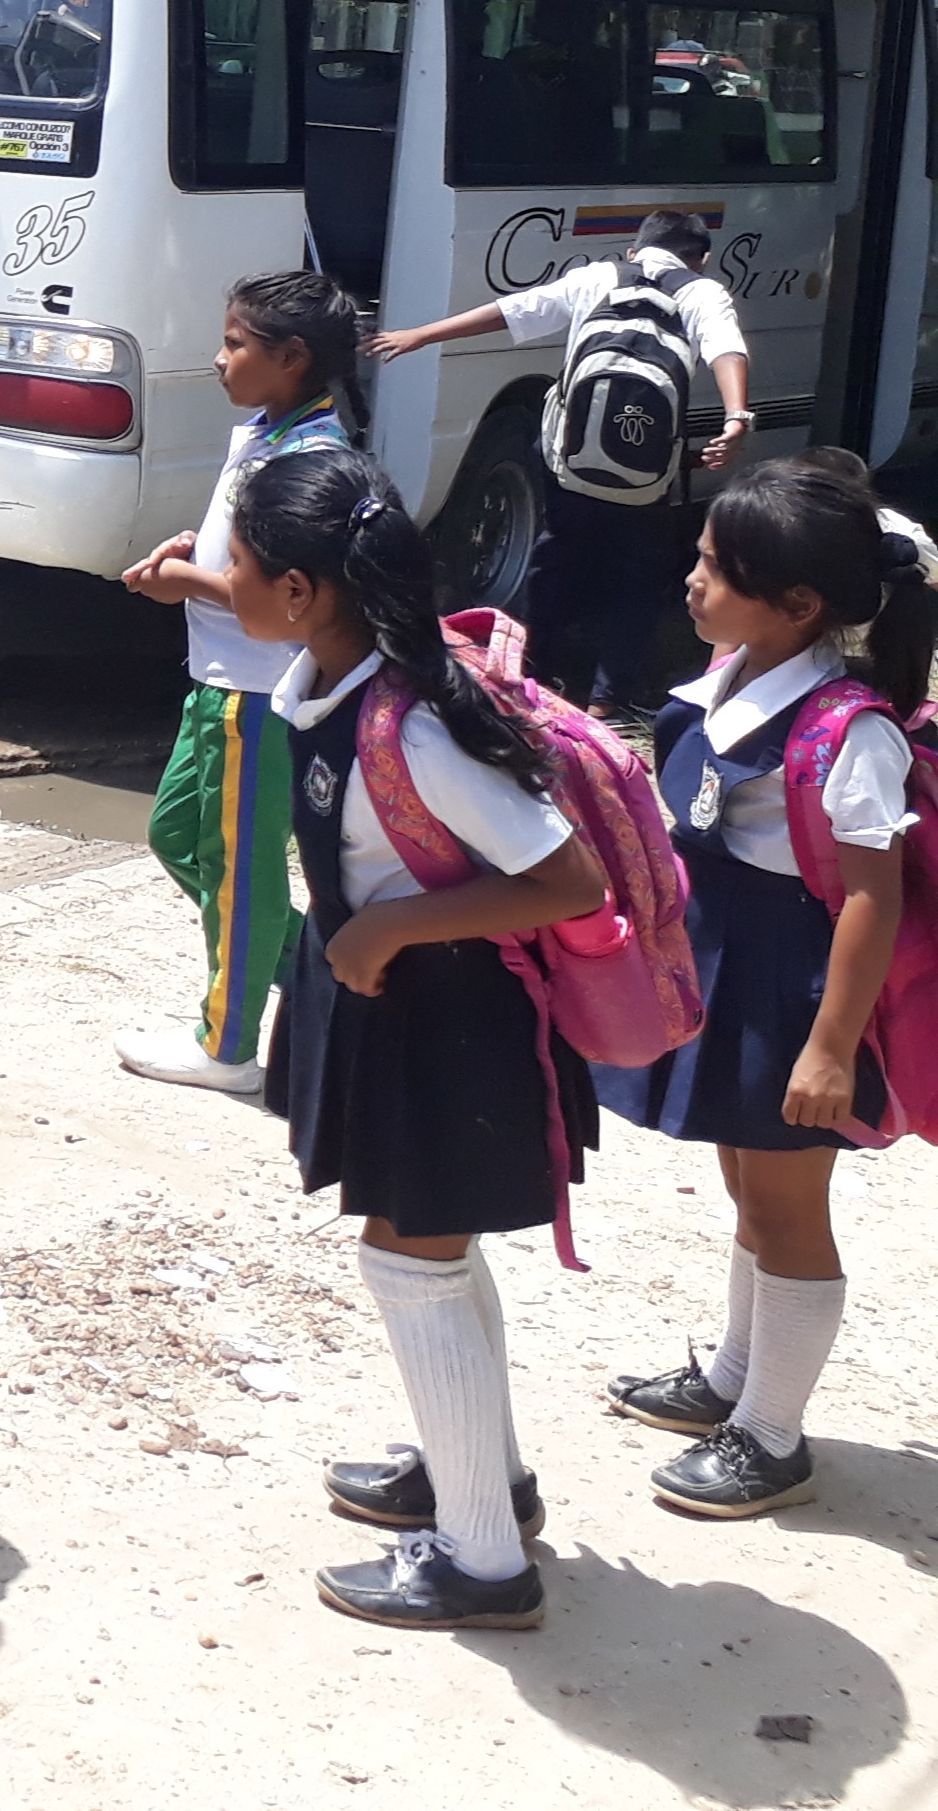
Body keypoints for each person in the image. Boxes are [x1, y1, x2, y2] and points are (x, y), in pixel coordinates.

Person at [223, 448, 609, 1633]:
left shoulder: (414, 726)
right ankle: (482, 1481)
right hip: (398, 1006)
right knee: (433, 1255)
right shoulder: (334, 676)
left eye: (236, 564)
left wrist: (393, 923)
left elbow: (569, 881)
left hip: (451, 1028)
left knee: (412, 1263)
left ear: (301, 592)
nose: (225, 581)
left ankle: (484, 1565)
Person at [592, 452, 926, 1519]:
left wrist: (829, 1047)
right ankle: (735, 1378)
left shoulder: (848, 729)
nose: (693, 580)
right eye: (699, 557)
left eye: (718, 568)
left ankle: (772, 1437)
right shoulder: (731, 679)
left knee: (787, 1208)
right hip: (731, 978)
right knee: (749, 1187)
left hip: (791, 995)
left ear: (799, 605)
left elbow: (870, 897)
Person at [115, 271, 365, 1093]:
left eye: (234, 343)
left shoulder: (311, 457)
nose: (218, 358)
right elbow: (250, 554)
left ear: (291, 357)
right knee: (180, 839)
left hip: (261, 691)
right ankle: (323, 975)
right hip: (217, 681)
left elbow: (293, 602)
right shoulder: (264, 432)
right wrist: (198, 550)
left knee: (241, 869)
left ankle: (227, 1048)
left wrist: (189, 581)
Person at [374, 212, 752, 716]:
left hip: (568, 464)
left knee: (555, 562)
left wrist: (421, 335)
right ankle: (607, 699)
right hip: (645, 478)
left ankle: (538, 681)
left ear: (635, 249)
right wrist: (736, 416)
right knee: (637, 577)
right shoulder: (702, 293)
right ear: (700, 259)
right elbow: (727, 348)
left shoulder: (598, 277)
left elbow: (513, 311)